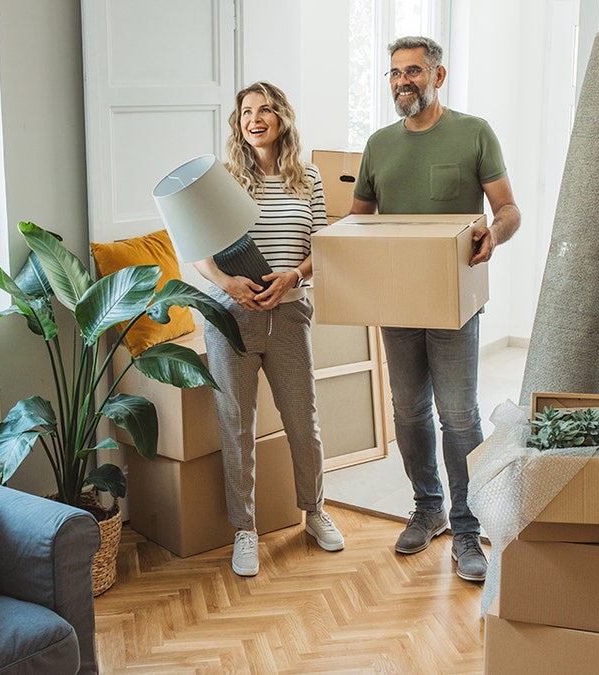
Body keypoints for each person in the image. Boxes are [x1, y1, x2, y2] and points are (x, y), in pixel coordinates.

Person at [350, 36, 521, 582]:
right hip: (396, 301)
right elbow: (355, 222)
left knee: (459, 415)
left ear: (438, 76)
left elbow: (509, 209)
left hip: (454, 303)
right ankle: (428, 508)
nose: (403, 81)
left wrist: (493, 234)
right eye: (395, 73)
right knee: (408, 412)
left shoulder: (474, 133)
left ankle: (468, 526)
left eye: (415, 72)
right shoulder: (378, 145)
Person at [194, 81, 344, 578]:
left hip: (290, 312)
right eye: (245, 114)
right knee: (236, 426)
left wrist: (293, 276)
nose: (254, 119)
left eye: (264, 110)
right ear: (238, 125)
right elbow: (197, 251)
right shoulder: (223, 180)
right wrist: (227, 283)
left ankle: (315, 512)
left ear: (281, 117)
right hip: (231, 316)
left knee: (303, 418)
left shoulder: (310, 178)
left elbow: (322, 247)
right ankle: (244, 531)